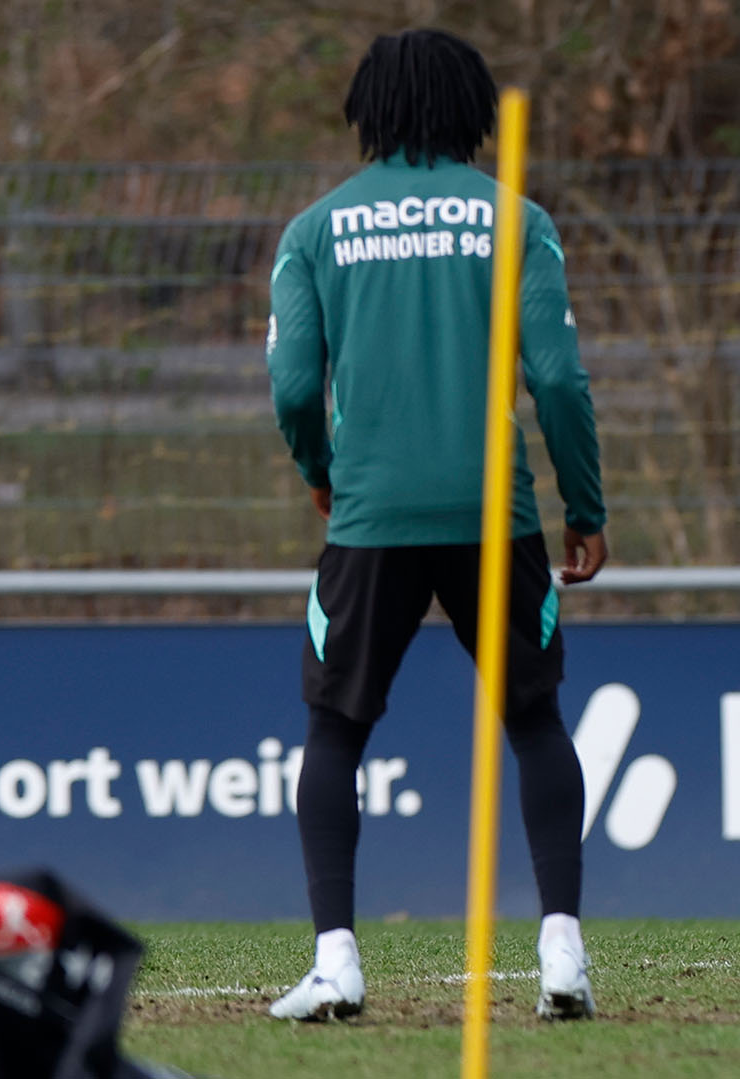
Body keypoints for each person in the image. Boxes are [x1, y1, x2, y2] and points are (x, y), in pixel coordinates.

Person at [263, 28, 607, 1020]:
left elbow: (291, 386)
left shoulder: (317, 229)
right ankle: (561, 951)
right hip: (494, 513)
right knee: (534, 718)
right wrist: (584, 505)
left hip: (370, 515)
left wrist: (320, 472)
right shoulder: (516, 219)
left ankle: (336, 961)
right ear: (474, 114)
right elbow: (558, 378)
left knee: (335, 730)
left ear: (367, 110)